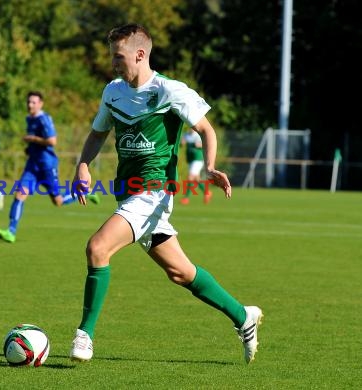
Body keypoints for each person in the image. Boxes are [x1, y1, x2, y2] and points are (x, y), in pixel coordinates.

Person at [68, 24, 262, 364]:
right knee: (181, 273)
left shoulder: (169, 90)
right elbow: (98, 133)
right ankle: (243, 316)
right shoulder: (112, 91)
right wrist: (82, 165)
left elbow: (205, 128)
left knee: (97, 248)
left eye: (118, 56)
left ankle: (84, 336)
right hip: (128, 195)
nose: (113, 63)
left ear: (140, 55)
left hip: (153, 193)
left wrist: (210, 166)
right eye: (112, 56)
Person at [0, 91, 100, 243]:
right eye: (29, 102)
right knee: (19, 195)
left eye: (33, 102)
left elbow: (52, 141)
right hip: (32, 166)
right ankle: (11, 231)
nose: (30, 105)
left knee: (58, 201)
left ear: (41, 104)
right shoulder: (29, 118)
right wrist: (30, 148)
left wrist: (33, 139)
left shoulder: (44, 119)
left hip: (46, 166)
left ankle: (85, 191)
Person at [179, 127, 212, 204]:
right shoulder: (186, 135)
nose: (191, 129)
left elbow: (204, 144)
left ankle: (186, 198)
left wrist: (199, 144)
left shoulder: (197, 135)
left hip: (198, 159)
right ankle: (207, 192)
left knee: (190, 177)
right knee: (196, 179)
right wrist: (182, 143)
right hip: (190, 159)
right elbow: (181, 143)